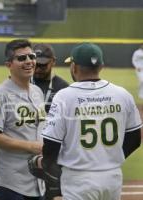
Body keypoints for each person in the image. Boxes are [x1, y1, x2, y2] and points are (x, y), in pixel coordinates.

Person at [34, 42, 142, 200]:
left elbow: (51, 144)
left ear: (74, 67)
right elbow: (135, 139)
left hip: (78, 178)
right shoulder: (122, 94)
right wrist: (108, 158)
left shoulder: (65, 96)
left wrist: (49, 167)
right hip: (112, 178)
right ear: (101, 66)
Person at [0, 39, 46, 200]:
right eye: (21, 58)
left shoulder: (37, 91)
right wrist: (31, 146)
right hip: (11, 183)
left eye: (31, 56)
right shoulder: (0, 94)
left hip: (37, 180)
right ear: (9, 64)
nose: (29, 61)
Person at [32, 43, 69, 113]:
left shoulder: (63, 88)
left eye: (43, 65)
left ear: (53, 61)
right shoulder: (21, 85)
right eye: (35, 65)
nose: (38, 69)